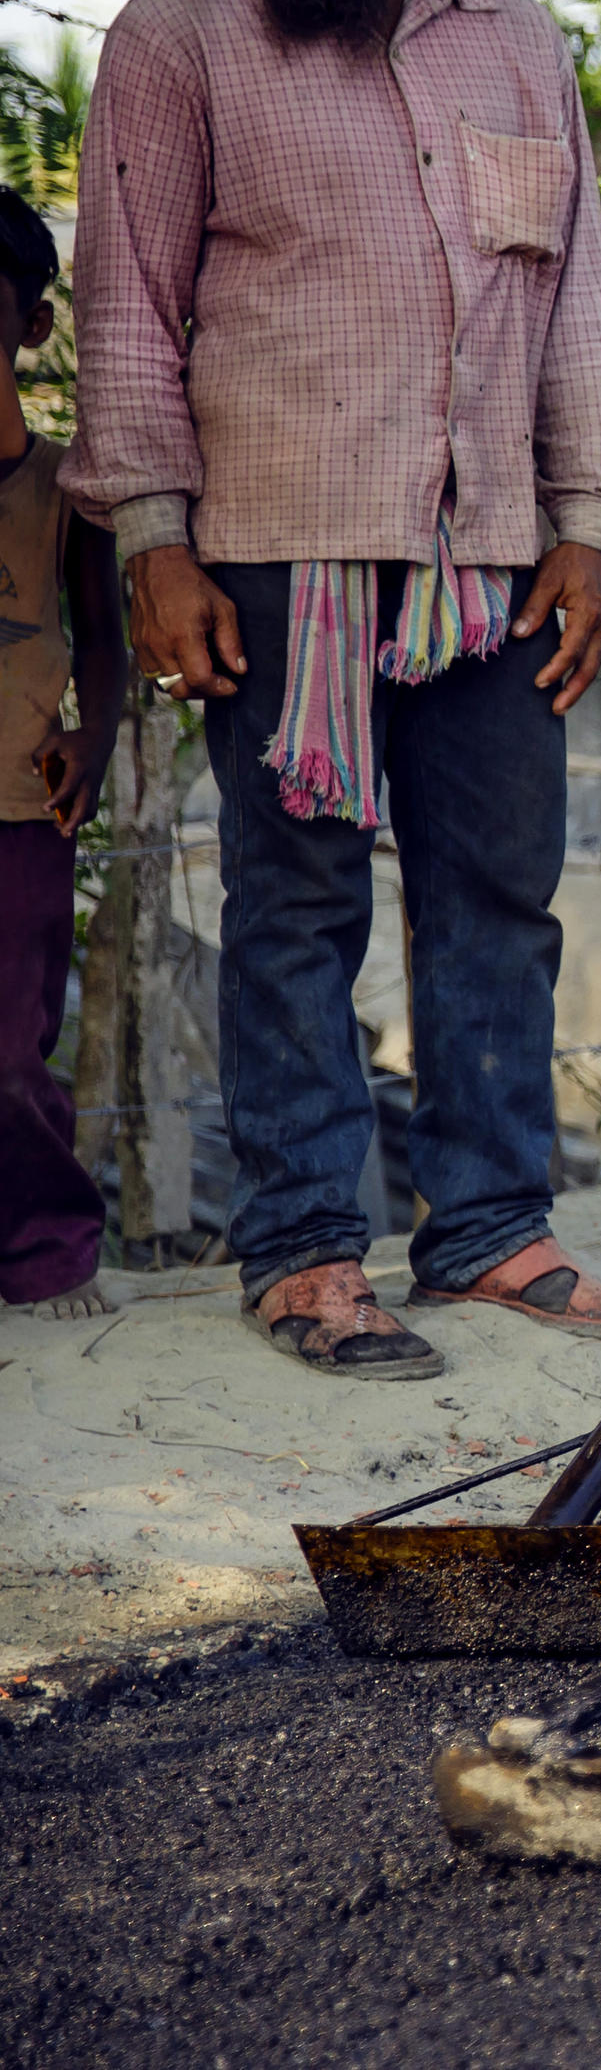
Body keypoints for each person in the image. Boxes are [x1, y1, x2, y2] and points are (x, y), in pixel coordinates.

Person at [69, 0, 601, 1378]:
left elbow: (575, 307)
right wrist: (156, 543)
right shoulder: (177, 41)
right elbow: (125, 312)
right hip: (273, 553)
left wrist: (585, 526)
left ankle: (487, 1225)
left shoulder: (519, 46)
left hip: (493, 552)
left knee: (496, 892)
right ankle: (307, 1244)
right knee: (295, 901)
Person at [0, 191, 120, 1321]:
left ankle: (44, 1251)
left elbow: (105, 641)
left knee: (11, 1050)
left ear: (33, 329)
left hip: (19, 808)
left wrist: (98, 729)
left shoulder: (64, 488)